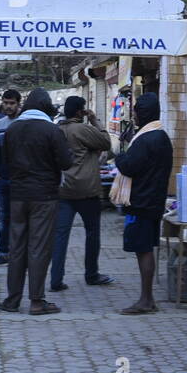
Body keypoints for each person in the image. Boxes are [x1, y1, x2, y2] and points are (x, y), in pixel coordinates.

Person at [0, 88, 73, 316]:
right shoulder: (52, 130)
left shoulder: (12, 129)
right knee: (39, 247)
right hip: (44, 196)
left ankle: (12, 299)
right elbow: (66, 163)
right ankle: (37, 301)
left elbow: (6, 161)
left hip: (18, 195)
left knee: (17, 247)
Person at [113, 93, 172, 315]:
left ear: (143, 113)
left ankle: (146, 300)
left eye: (136, 111)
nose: (134, 115)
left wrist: (119, 156)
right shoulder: (161, 137)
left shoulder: (145, 139)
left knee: (143, 249)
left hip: (141, 202)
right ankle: (146, 298)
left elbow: (128, 166)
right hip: (153, 200)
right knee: (144, 248)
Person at [50, 96, 115, 292]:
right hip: (87, 191)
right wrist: (95, 121)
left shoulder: (57, 130)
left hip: (63, 190)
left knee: (60, 235)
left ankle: (55, 279)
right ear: (80, 112)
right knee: (92, 233)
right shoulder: (83, 129)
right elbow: (105, 142)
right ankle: (91, 274)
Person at [0, 89, 21, 266]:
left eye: (12, 103)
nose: (8, 106)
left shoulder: (24, 123)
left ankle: (20, 254)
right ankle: (4, 253)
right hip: (3, 180)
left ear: (18, 104)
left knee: (21, 218)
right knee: (4, 218)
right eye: (6, 103)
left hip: (21, 180)